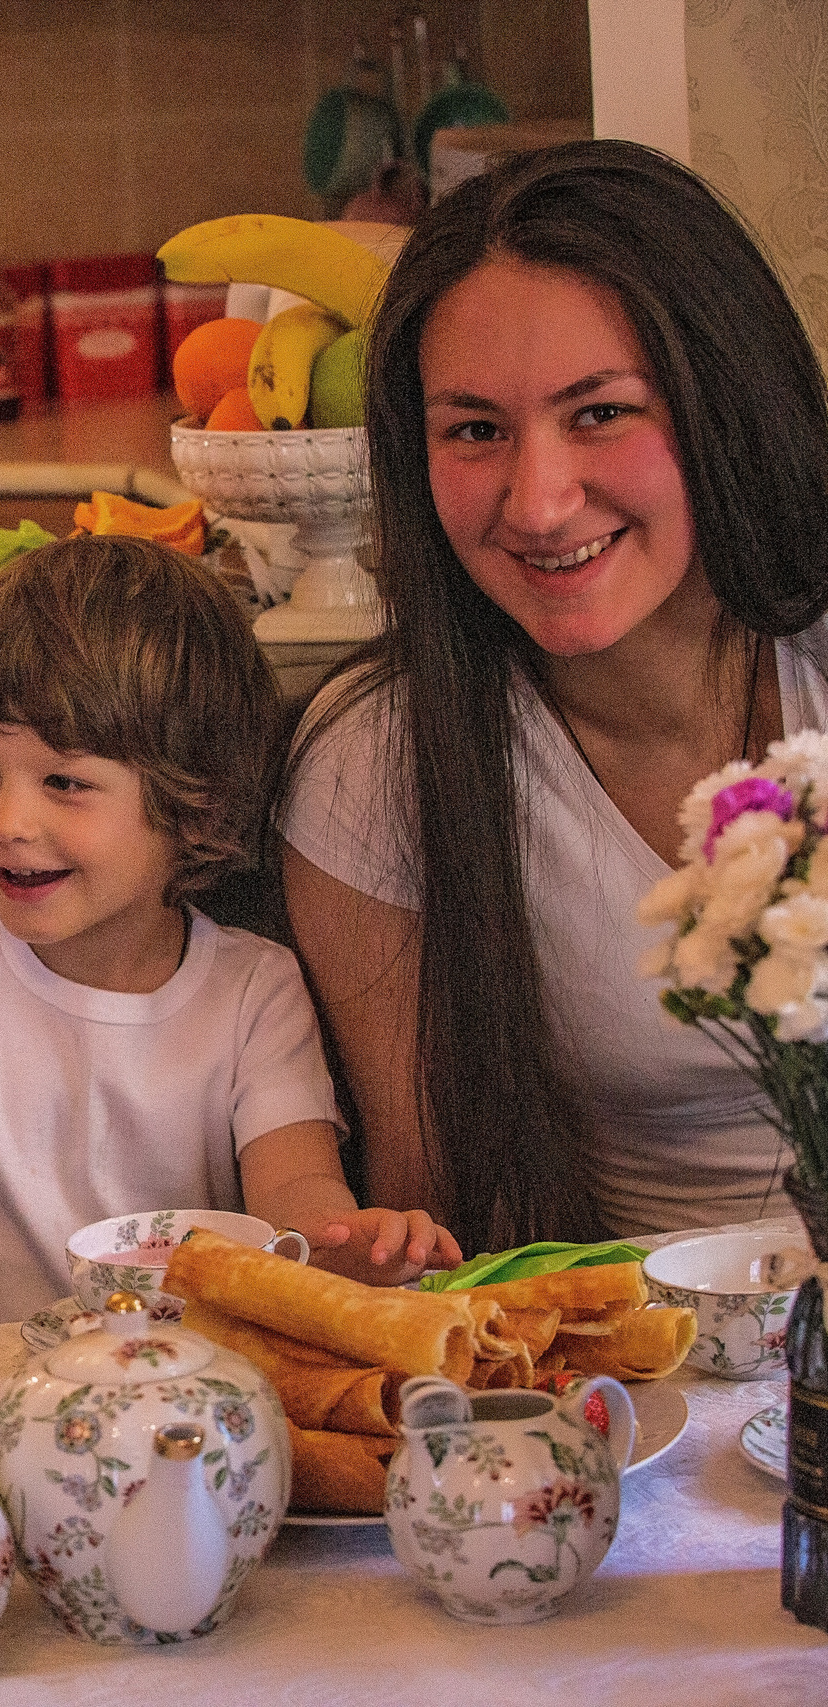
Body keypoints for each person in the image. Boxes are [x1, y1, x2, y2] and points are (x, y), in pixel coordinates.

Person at [281, 140, 828, 1247]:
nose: (536, 503)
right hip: (656, 1383)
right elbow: (434, 1226)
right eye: (474, 430)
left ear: (722, 400)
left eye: (599, 412)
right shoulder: (376, 762)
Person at [0, 536, 458, 1329]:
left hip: (169, 1405)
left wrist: (345, 1244)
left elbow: (294, 1195)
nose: (6, 823)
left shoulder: (254, 990)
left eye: (65, 782)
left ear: (191, 806)